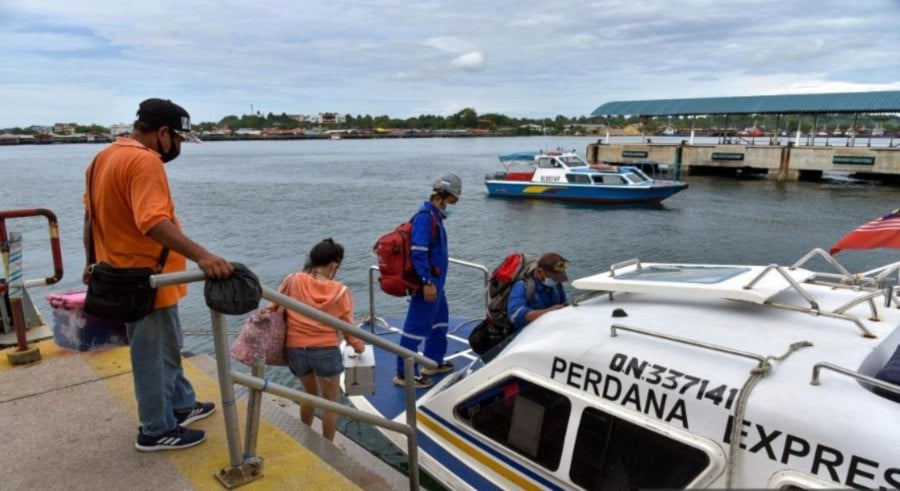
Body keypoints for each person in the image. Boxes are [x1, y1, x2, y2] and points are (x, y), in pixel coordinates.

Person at [83, 98, 234, 452]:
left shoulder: (102, 158)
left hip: (118, 274)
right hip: (146, 280)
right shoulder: (144, 161)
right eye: (178, 140)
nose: (178, 147)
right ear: (162, 132)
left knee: (168, 345)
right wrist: (203, 256)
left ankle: (181, 404)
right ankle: (155, 428)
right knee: (152, 355)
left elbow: (90, 218)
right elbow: (151, 221)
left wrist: (90, 262)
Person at [283, 238, 364, 442]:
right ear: (333, 264)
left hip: (295, 347)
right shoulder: (340, 291)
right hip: (325, 351)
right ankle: (328, 445)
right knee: (331, 402)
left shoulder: (293, 280)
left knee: (309, 395)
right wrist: (358, 346)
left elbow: (275, 306)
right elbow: (346, 326)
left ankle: (304, 436)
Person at [394, 173, 462, 388]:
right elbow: (418, 252)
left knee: (440, 322)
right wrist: (426, 282)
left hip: (437, 285)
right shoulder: (425, 217)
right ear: (442, 197)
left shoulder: (435, 217)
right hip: (428, 285)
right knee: (415, 328)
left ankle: (433, 361)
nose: (453, 205)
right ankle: (404, 374)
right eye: (452, 200)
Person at [507, 252, 569, 330]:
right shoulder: (522, 286)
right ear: (539, 272)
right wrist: (548, 312)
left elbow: (563, 303)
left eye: (557, 279)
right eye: (553, 278)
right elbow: (514, 314)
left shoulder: (556, 285)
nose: (556, 281)